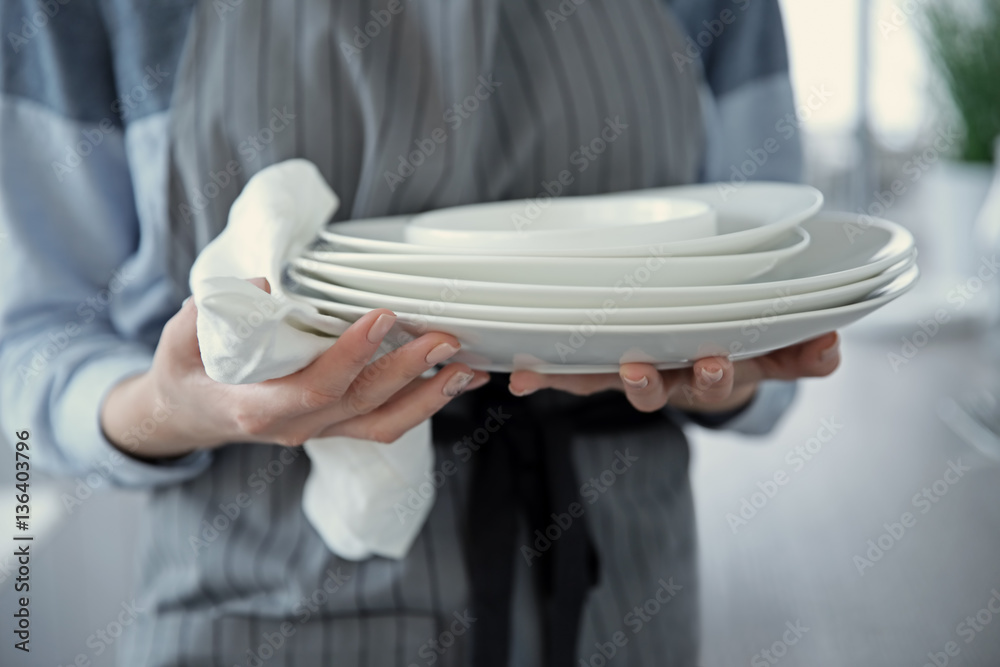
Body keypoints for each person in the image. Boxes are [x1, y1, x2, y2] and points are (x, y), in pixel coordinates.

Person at [0, 0, 839, 665]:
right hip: (255, 614)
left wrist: (735, 372)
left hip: (618, 604)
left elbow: (767, 280)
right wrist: (163, 408)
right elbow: (24, 364)